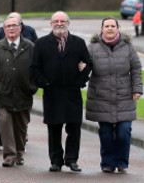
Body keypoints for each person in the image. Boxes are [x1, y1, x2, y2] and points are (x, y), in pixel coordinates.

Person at [31, 11, 92, 173]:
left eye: (63, 21)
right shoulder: (41, 43)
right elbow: (35, 67)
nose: (59, 23)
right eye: (56, 21)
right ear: (51, 24)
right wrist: (44, 82)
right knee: (54, 128)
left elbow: (89, 64)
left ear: (68, 23)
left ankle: (72, 160)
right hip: (52, 92)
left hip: (72, 92)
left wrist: (80, 81)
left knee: (74, 128)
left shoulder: (78, 43)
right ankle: (56, 161)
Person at [86, 17, 143, 173]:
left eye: (113, 26)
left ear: (118, 28)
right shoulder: (92, 47)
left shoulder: (128, 47)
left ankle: (122, 162)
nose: (110, 28)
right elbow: (85, 67)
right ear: (102, 28)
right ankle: (108, 163)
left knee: (124, 131)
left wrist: (137, 89)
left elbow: (136, 68)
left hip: (124, 96)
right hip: (101, 96)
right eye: (107, 26)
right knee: (105, 133)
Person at [0, 16, 37, 167]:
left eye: (14, 25)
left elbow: (37, 70)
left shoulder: (30, 47)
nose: (11, 28)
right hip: (3, 96)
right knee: (6, 124)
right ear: (4, 29)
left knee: (21, 126)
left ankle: (20, 153)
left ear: (20, 27)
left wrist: (31, 88)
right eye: (8, 26)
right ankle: (9, 156)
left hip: (23, 95)